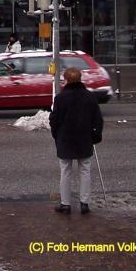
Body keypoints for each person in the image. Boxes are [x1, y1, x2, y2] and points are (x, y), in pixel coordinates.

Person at [49, 66, 104, 215]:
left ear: (66, 80)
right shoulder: (89, 97)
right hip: (84, 138)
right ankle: (84, 203)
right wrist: (95, 136)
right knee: (85, 171)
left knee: (65, 171)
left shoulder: (60, 98)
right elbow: (97, 119)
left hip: (65, 139)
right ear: (80, 79)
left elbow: (54, 120)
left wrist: (56, 135)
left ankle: (65, 204)